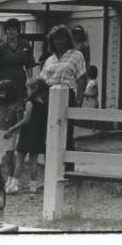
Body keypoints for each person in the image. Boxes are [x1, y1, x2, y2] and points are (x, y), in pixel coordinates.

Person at [40, 25, 88, 167]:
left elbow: (81, 79)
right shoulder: (50, 59)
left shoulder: (76, 55)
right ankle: (51, 167)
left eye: (61, 39)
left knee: (66, 134)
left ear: (67, 40)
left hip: (68, 96)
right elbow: (42, 80)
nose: (58, 42)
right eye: (55, 40)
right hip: (49, 96)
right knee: (49, 132)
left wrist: (79, 101)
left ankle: (68, 169)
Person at [10, 77, 49, 196]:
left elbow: (26, 120)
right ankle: (33, 186)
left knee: (20, 160)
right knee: (34, 160)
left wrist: (13, 128)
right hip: (38, 134)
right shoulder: (44, 103)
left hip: (27, 133)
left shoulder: (30, 102)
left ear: (33, 89)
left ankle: (14, 184)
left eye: (28, 88)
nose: (27, 91)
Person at [0, 18, 33, 101]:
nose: (11, 32)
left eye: (13, 29)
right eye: (8, 29)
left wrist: (30, 83)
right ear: (5, 31)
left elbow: (29, 65)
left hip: (20, 82)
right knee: (4, 108)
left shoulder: (25, 45)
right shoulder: (0, 47)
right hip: (3, 83)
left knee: (19, 108)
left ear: (18, 31)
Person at [0, 80, 21, 194]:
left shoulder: (16, 105)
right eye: (0, 91)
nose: (1, 93)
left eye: (3, 91)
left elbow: (19, 121)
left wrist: (14, 133)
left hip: (10, 133)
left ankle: (11, 179)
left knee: (9, 159)